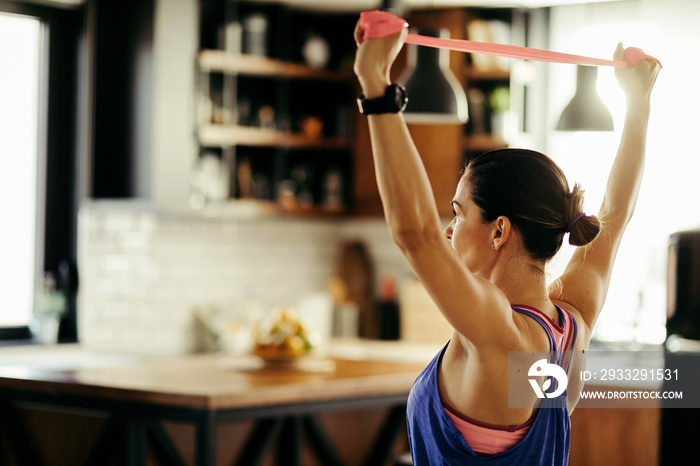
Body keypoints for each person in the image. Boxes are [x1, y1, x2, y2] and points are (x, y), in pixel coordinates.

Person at [353, 15, 660, 466]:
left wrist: (376, 85)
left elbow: (415, 235)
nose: (447, 230)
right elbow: (617, 216)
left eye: (458, 214)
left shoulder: (499, 333)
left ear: (499, 230)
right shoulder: (571, 322)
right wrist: (640, 103)